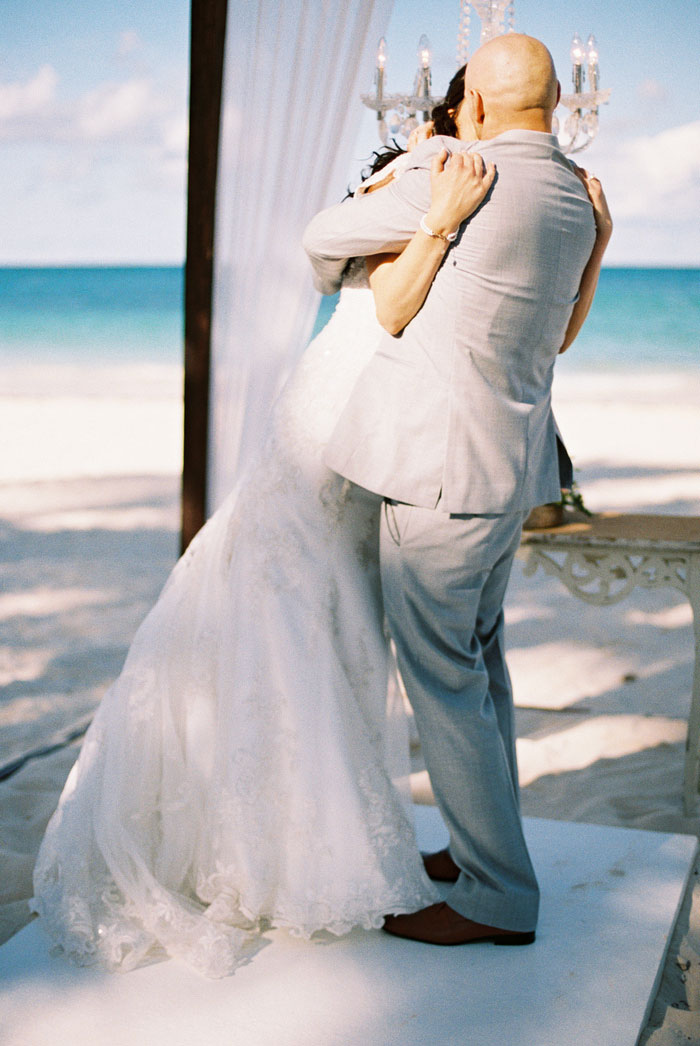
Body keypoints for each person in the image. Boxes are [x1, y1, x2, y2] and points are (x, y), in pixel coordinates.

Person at [28, 74, 497, 979]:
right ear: (444, 114)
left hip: (367, 404)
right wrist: (427, 202)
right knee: (287, 587)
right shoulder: (431, 169)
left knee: (330, 602)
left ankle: (303, 823)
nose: (479, 122)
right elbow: (365, 282)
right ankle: (269, 838)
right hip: (339, 403)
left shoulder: (453, 181)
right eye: (469, 103)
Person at [302, 33, 612, 947]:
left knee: (444, 680)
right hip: (509, 472)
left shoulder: (454, 171)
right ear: (555, 107)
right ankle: (481, 849)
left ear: (472, 104)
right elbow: (558, 338)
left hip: (438, 475)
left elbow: (321, 242)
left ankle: (495, 896)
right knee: (482, 670)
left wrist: (411, 206)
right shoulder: (576, 196)